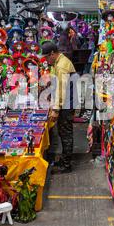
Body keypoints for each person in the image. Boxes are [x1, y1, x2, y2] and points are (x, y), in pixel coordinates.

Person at [41, 41, 76, 174]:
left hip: (66, 103)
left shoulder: (61, 66)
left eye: (46, 57)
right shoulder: (57, 62)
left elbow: (61, 90)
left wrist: (55, 109)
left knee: (66, 132)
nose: (45, 60)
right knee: (62, 132)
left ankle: (66, 165)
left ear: (52, 54)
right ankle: (64, 159)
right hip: (65, 102)